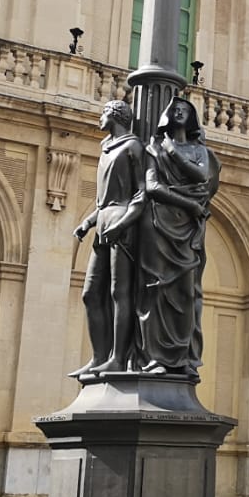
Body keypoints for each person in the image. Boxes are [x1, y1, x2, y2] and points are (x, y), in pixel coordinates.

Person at [138, 96, 220, 378]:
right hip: (160, 223)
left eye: (185, 110)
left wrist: (173, 152)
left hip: (188, 229)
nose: (180, 113)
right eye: (175, 110)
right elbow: (151, 186)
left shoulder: (200, 151)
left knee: (187, 293)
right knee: (156, 289)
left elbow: (201, 177)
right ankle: (154, 358)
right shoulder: (154, 148)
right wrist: (189, 203)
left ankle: (183, 359)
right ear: (166, 117)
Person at [74, 99, 146, 377]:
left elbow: (141, 195)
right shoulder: (105, 148)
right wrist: (88, 221)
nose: (99, 117)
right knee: (91, 293)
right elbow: (103, 199)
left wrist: (124, 222)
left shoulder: (133, 147)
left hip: (121, 224)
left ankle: (118, 359)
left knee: (119, 293)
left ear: (116, 115)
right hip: (103, 221)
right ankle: (98, 356)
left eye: (104, 112)